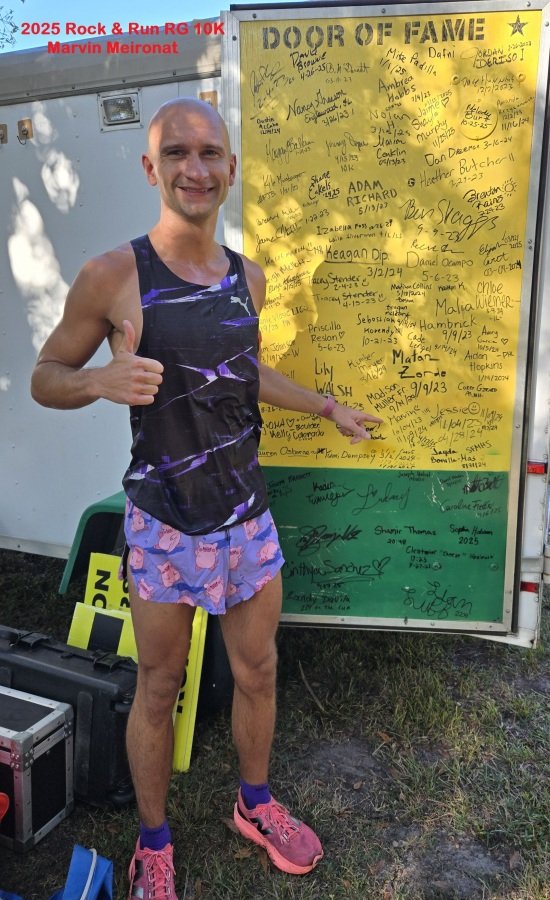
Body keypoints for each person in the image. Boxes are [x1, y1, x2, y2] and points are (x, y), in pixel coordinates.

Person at [31, 98, 382, 899]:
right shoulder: (113, 276)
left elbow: (242, 370)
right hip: (164, 522)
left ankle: (254, 805)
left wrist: (326, 408)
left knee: (258, 670)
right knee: (159, 685)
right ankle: (153, 844)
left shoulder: (245, 277)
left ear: (230, 167)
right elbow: (46, 377)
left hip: (246, 518)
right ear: (151, 168)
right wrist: (100, 380)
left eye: (210, 153)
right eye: (177, 153)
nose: (196, 168)